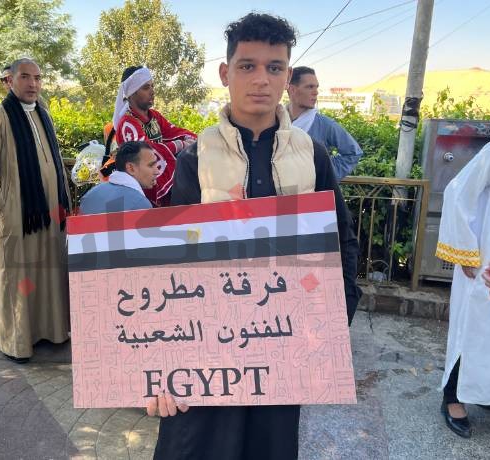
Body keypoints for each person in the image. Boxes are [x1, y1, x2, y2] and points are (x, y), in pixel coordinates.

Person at [149, 13, 360, 459]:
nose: (261, 79)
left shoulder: (311, 155)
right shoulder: (197, 157)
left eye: (274, 67)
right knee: (199, 445)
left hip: (283, 344)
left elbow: (341, 241)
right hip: (208, 347)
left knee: (270, 444)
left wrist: (330, 325)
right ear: (225, 73)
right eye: (247, 66)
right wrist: (162, 361)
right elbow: (171, 262)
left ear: (286, 75)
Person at [0, 58, 71, 363]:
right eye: (26, 77)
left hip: (49, 214)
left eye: (38, 78)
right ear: (10, 81)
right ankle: (14, 340)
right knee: (17, 277)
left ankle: (50, 330)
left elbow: (55, 161)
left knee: (48, 271)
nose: (33, 84)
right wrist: (2, 209)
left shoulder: (44, 114)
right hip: (17, 216)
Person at [435, 85, 490, 438]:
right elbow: (457, 191)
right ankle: (452, 397)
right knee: (475, 328)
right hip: (488, 260)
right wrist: (465, 250)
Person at [113, 66, 196, 206]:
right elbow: (147, 152)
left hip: (163, 183)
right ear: (132, 93)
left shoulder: (154, 116)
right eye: (146, 88)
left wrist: (197, 139)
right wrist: (179, 145)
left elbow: (174, 132)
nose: (152, 92)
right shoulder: (127, 123)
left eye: (152, 86)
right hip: (145, 193)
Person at [286, 66, 363, 180]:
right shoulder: (275, 120)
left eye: (316, 87)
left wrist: (326, 174)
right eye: (310, 87)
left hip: (312, 189)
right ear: (292, 89)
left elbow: (353, 153)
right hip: (276, 188)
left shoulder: (325, 125)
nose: (316, 92)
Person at [79, 141, 158, 214]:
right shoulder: (140, 204)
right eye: (151, 165)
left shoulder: (89, 195)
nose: (157, 172)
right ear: (131, 168)